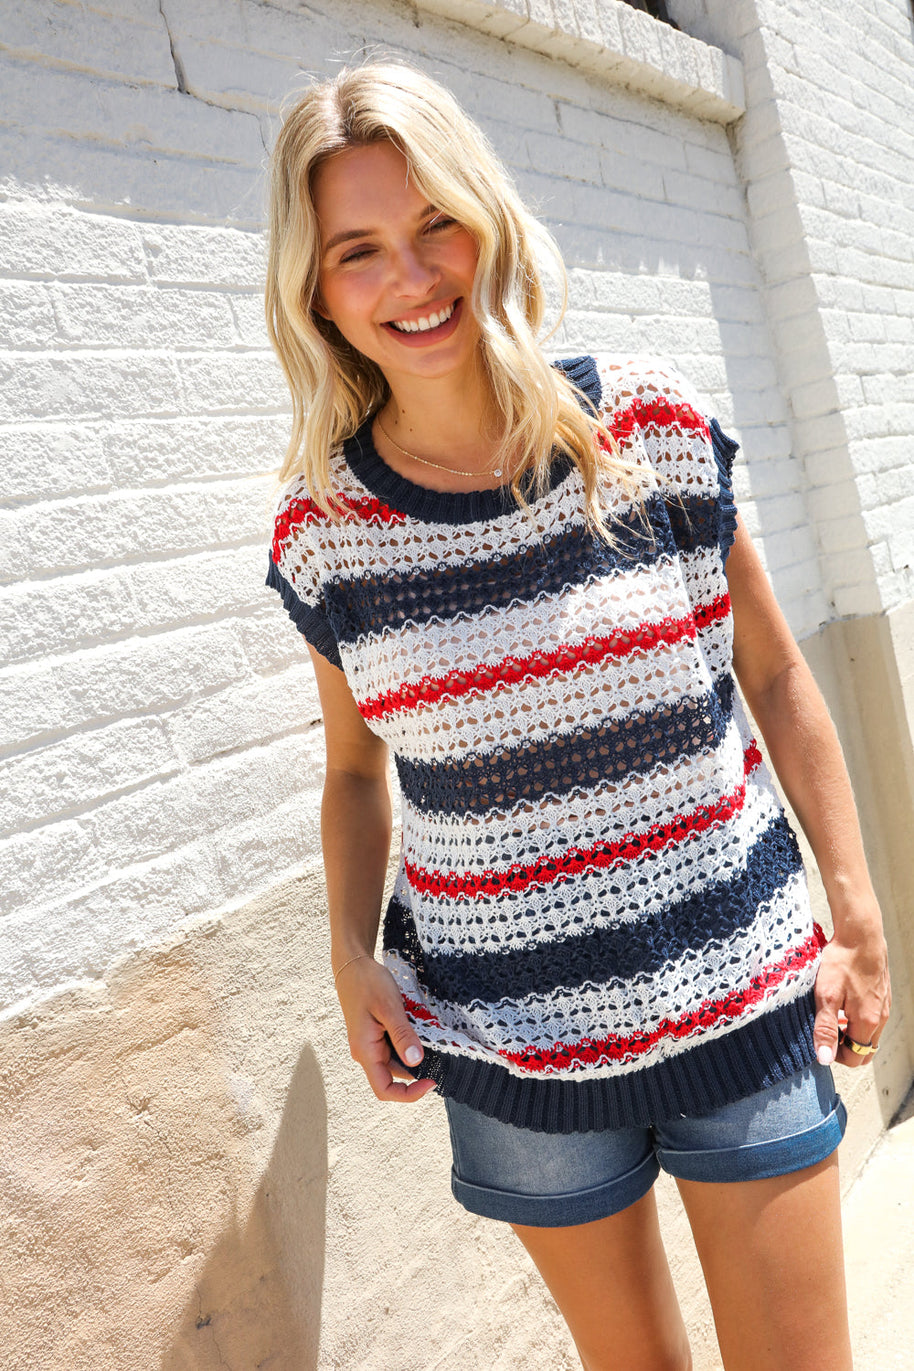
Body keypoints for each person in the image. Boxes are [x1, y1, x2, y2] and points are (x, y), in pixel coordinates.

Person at [264, 60, 891, 1371]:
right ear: (313, 291)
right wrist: (347, 955)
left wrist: (857, 909)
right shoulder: (327, 539)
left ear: (485, 218)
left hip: (736, 995)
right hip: (512, 1052)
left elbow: (775, 676)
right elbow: (350, 777)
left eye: (434, 221)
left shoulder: (650, 431)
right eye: (357, 251)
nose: (412, 276)